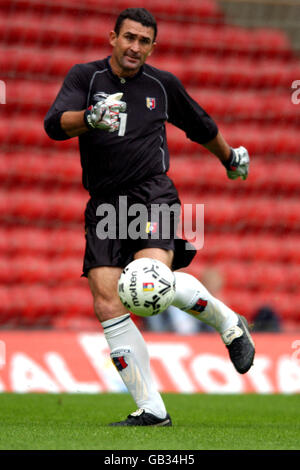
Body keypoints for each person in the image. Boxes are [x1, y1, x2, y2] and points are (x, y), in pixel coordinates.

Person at [44, 7, 255, 427]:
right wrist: (90, 118)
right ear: (113, 38)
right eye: (129, 38)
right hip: (104, 203)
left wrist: (230, 157)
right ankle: (152, 410)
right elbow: (53, 125)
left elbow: (200, 125)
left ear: (152, 46)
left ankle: (228, 323)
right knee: (107, 302)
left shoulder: (162, 85)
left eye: (144, 40)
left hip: (151, 195)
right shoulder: (85, 79)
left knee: (148, 282)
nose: (135, 46)